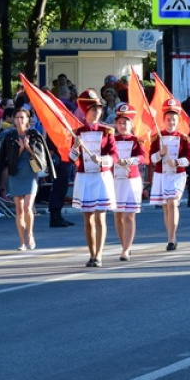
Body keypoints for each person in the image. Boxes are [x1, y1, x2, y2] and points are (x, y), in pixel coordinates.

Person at [70, 89, 118, 268]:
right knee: (87, 217)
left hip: (101, 177)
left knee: (100, 217)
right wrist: (75, 146)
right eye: (93, 109)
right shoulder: (77, 132)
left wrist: (102, 160)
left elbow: (114, 155)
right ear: (86, 112)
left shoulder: (107, 131)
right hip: (84, 177)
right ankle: (91, 254)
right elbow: (72, 158)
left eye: (99, 109)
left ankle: (99, 255)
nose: (97, 112)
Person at [0, 108, 50, 251]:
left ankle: (30, 235)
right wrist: (20, 150)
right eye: (17, 117)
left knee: (27, 207)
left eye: (22, 117)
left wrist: (28, 147)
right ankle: (22, 242)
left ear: (28, 120)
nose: (19, 120)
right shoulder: (9, 137)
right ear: (13, 120)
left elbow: (41, 156)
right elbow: (6, 160)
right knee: (19, 209)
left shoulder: (34, 135)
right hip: (15, 175)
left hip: (30, 174)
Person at [149, 99, 190, 252]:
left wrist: (178, 161)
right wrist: (160, 153)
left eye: (174, 119)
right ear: (164, 120)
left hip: (177, 175)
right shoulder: (157, 137)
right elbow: (151, 159)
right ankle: (170, 235)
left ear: (178, 120)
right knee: (166, 207)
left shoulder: (183, 138)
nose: (171, 122)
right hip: (161, 175)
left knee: (172, 203)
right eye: (168, 119)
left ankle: (171, 239)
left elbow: (189, 158)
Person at [111, 104, 146, 261]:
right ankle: (123, 244)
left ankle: (126, 249)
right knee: (118, 216)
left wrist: (131, 160)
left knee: (129, 215)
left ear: (132, 124)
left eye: (126, 123)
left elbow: (143, 157)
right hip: (115, 181)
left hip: (132, 180)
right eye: (120, 123)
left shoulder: (137, 140)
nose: (123, 126)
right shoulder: (111, 139)